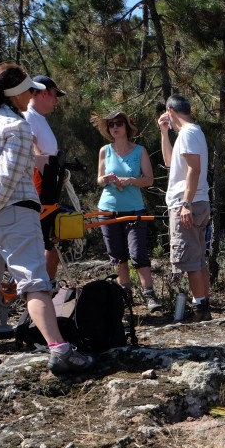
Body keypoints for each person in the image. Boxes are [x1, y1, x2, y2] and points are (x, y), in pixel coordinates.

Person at [0, 62, 93, 377]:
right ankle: (60, 351)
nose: (33, 94)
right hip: (13, 212)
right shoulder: (17, 127)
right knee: (34, 283)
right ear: (18, 93)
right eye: (31, 89)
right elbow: (8, 178)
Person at [93, 110, 159, 312]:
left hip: (134, 210)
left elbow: (149, 180)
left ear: (127, 127)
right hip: (108, 209)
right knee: (118, 256)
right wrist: (104, 180)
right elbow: (98, 179)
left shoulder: (140, 151)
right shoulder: (105, 150)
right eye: (111, 124)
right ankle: (125, 296)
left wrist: (130, 180)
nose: (114, 127)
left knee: (138, 253)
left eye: (119, 123)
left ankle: (149, 295)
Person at [158, 93, 212, 321]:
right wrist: (163, 132)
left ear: (170, 111)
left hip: (188, 202)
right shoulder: (189, 134)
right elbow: (171, 163)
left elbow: (194, 170)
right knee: (198, 259)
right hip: (196, 201)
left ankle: (200, 310)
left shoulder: (188, 134)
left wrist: (186, 204)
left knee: (190, 262)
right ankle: (203, 305)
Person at [24, 75, 66, 282]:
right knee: (41, 240)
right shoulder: (29, 115)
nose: (56, 100)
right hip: (39, 187)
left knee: (53, 239)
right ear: (42, 92)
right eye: (54, 95)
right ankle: (37, 287)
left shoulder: (39, 118)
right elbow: (32, 147)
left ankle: (46, 285)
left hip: (49, 185)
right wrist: (45, 167)